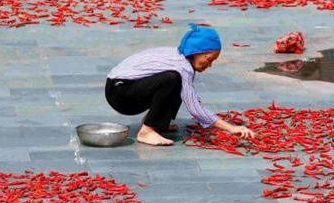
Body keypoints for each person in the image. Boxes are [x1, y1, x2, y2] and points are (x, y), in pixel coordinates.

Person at [105, 24, 256, 146]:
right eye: (209, 59)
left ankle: (156, 122)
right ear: (197, 52)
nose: (209, 65)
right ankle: (146, 131)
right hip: (120, 93)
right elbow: (194, 106)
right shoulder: (182, 67)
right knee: (172, 79)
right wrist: (231, 128)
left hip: (119, 87)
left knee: (178, 82)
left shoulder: (180, 55)